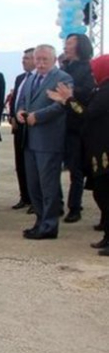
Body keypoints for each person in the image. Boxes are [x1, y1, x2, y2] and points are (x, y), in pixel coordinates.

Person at [48, 54, 109, 254]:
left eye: (94, 71)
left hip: (105, 150)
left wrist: (69, 99)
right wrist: (68, 101)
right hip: (98, 149)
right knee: (101, 193)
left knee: (105, 193)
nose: (92, 75)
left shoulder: (107, 91)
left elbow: (88, 113)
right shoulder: (101, 89)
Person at [16, 44, 74, 240]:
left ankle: (49, 225)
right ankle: (40, 220)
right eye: (37, 59)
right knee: (34, 185)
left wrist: (37, 116)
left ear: (54, 60)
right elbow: (23, 100)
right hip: (30, 140)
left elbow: (61, 106)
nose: (40, 64)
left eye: (44, 60)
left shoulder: (62, 78)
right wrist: (20, 111)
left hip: (48, 140)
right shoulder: (31, 78)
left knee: (48, 186)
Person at [61, 33, 96, 223]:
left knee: (76, 169)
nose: (66, 46)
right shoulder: (66, 67)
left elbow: (88, 92)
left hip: (78, 125)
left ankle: (74, 206)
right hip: (62, 124)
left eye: (70, 43)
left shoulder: (87, 68)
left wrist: (70, 93)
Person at [8, 48, 36, 211]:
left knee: (32, 163)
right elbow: (15, 100)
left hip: (31, 125)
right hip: (18, 126)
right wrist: (12, 115)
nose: (23, 61)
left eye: (27, 58)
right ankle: (24, 196)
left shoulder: (37, 78)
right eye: (23, 58)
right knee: (20, 162)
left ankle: (34, 199)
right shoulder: (20, 78)